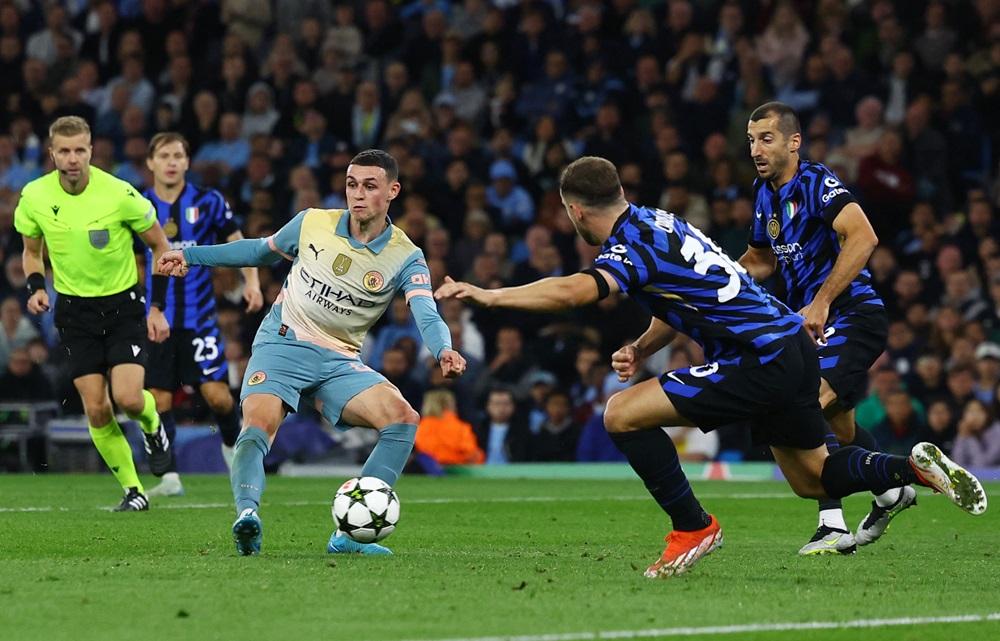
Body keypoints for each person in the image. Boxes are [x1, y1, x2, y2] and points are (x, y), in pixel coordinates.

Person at [435, 156, 987, 578]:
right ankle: (911, 470)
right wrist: (642, 347)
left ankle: (692, 527)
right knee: (814, 477)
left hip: (756, 358)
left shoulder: (630, 244)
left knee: (620, 413)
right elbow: (688, 296)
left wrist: (490, 295)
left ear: (574, 211)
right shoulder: (661, 222)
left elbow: (575, 291)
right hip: (790, 346)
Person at [158, 149, 466, 555]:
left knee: (403, 419)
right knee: (257, 426)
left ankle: (349, 536)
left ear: (393, 191)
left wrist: (443, 349)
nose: (357, 194)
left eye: (369, 186)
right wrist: (190, 255)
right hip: (282, 343)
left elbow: (425, 311)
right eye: (352, 184)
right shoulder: (312, 222)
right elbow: (258, 251)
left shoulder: (406, 256)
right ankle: (247, 516)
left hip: (339, 361)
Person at [740, 101, 914, 554]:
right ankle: (891, 493)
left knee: (802, 401)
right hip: (810, 324)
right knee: (844, 427)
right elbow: (760, 259)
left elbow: (864, 236)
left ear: (794, 142)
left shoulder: (816, 182)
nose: (756, 150)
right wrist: (716, 279)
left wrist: (821, 301)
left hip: (851, 314)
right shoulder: (764, 194)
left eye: (766, 139)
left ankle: (832, 524)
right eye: (752, 140)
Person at [14, 116, 172, 511]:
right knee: (97, 408)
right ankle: (134, 491)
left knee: (129, 399)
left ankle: (153, 427)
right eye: (64, 151)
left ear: (91, 150)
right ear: (52, 154)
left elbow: (160, 246)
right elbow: (31, 252)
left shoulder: (119, 193)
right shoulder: (34, 196)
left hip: (122, 307)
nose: (73, 159)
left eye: (80, 150)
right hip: (74, 311)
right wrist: (36, 287)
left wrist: (156, 307)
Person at [141, 132, 264, 498]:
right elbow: (131, 259)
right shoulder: (140, 205)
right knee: (159, 399)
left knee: (218, 397)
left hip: (200, 319)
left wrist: (251, 282)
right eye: (164, 155)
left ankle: (233, 454)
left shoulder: (208, 201)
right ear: (151, 163)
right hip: (158, 320)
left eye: (178, 155)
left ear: (187, 162)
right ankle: (169, 478)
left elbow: (239, 243)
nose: (172, 162)